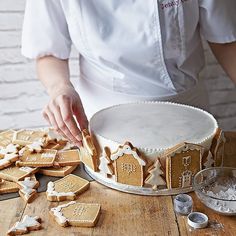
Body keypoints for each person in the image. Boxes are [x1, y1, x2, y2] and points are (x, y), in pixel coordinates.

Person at [21, 0, 236, 146]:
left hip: (190, 117)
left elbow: (225, 38)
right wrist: (60, 88)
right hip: (104, 123)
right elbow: (49, 50)